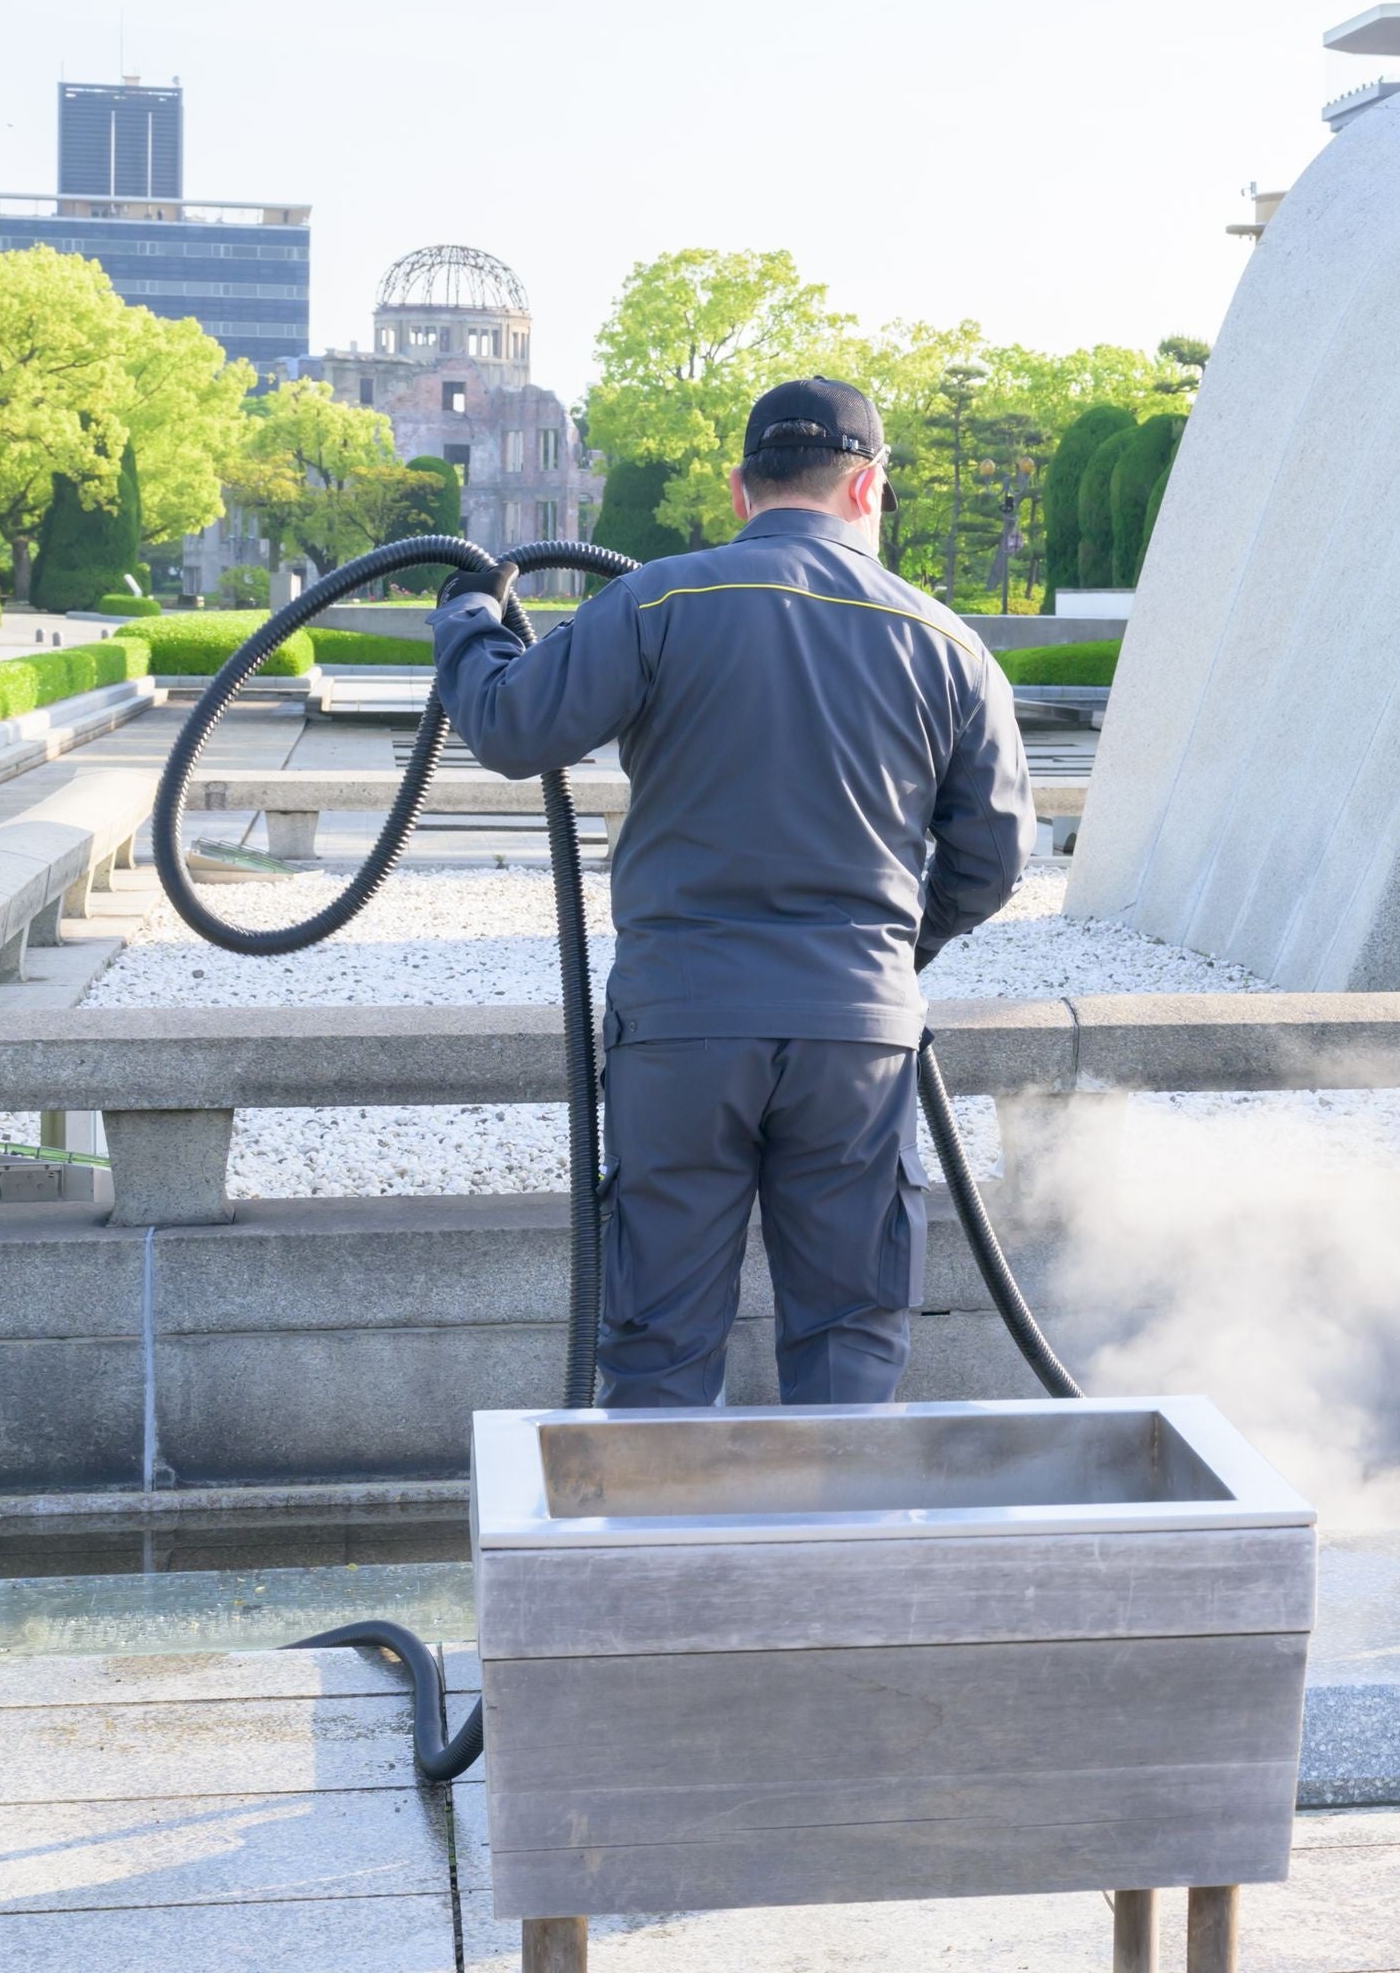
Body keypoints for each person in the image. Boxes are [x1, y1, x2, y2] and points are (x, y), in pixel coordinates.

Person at [431, 376, 1034, 1407]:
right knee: (850, 1341)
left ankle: (650, 1565)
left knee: (659, 1343)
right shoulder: (949, 644)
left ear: (738, 488)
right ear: (871, 488)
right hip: (857, 1030)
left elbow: (508, 728)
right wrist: (891, 951)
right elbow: (995, 856)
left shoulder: (659, 599)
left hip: (683, 1025)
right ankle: (833, 1563)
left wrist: (471, 617)